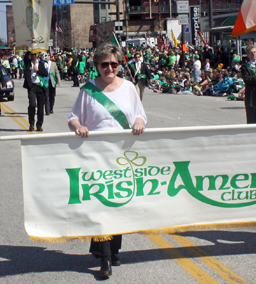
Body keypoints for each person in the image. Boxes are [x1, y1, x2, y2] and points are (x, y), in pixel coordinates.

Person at [68, 43, 147, 279]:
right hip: (95, 156)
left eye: (114, 63)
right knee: (102, 204)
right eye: (105, 64)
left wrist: (140, 122)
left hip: (123, 156)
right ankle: (105, 258)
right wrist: (79, 126)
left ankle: (113, 249)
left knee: (118, 202)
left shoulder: (130, 88)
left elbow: (140, 113)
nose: (110, 68)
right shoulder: (88, 90)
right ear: (97, 66)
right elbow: (73, 117)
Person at [23, 52, 49, 132]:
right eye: (32, 55)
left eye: (35, 55)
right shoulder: (28, 63)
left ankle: (39, 125)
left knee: (41, 107)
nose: (33, 56)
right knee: (32, 105)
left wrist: (38, 70)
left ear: (37, 56)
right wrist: (30, 50)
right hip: (32, 87)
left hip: (40, 86)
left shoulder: (41, 64)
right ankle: (31, 123)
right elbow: (26, 58)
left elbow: (45, 73)